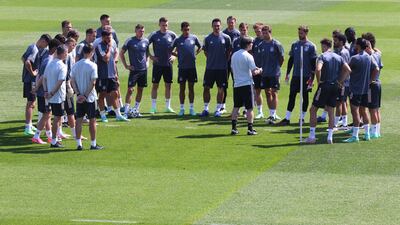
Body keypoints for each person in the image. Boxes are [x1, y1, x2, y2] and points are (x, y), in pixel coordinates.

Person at [305, 38, 351, 144]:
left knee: (313, 109)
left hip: (324, 85)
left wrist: (319, 81)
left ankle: (312, 136)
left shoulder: (322, 56)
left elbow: (318, 69)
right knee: (331, 111)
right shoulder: (338, 57)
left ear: (324, 46)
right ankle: (329, 137)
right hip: (335, 86)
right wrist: (340, 81)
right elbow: (348, 70)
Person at [278, 25, 317, 126]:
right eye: (299, 33)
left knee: (305, 96)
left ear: (306, 33)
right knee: (292, 95)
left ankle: (302, 118)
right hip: (296, 75)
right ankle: (287, 118)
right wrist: (287, 73)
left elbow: (313, 63)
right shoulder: (295, 44)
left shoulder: (311, 46)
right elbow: (291, 60)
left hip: (306, 76)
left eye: (302, 33)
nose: (300, 35)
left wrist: (312, 79)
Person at [343, 38, 379, 143]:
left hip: (355, 89)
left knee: (355, 112)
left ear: (358, 46)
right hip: (365, 89)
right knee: (364, 111)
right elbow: (376, 69)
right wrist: (369, 81)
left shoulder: (354, 58)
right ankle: (367, 134)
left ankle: (355, 136)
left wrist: (341, 80)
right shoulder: (369, 57)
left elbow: (347, 70)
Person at [71, 44, 103, 150]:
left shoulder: (75, 65)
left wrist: (79, 94)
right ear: (91, 52)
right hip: (90, 98)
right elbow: (93, 82)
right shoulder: (93, 65)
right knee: (92, 120)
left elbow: (72, 81)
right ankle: (93, 144)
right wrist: (85, 95)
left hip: (79, 98)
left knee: (79, 120)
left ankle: (79, 144)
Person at [230, 37, 263, 135]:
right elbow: (254, 72)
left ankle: (234, 128)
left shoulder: (234, 55)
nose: (252, 45)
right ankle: (250, 129)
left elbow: (233, 68)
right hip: (247, 85)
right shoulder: (248, 56)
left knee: (236, 107)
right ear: (248, 44)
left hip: (237, 84)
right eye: (251, 43)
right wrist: (260, 70)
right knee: (249, 108)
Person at [32, 38, 62, 144]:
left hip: (44, 92)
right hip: (44, 92)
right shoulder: (49, 60)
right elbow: (42, 77)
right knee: (47, 114)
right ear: (55, 48)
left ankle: (49, 135)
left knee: (47, 114)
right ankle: (37, 135)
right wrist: (38, 89)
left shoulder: (48, 59)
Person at [95, 30, 129, 122]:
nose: (109, 40)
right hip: (103, 75)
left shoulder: (111, 44)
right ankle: (102, 115)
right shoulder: (99, 46)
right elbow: (106, 59)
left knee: (115, 94)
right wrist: (109, 48)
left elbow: (113, 61)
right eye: (107, 38)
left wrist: (115, 74)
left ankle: (118, 115)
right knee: (102, 95)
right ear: (103, 37)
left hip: (111, 75)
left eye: (110, 38)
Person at [200, 18, 232, 117]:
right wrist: (212, 59)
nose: (217, 27)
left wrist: (223, 61)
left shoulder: (226, 38)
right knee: (206, 88)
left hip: (222, 68)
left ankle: (218, 109)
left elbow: (229, 51)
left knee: (221, 88)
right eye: (215, 26)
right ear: (212, 26)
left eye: (218, 26)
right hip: (210, 68)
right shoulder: (208, 38)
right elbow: (205, 51)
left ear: (221, 26)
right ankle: (206, 109)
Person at [21, 34, 51, 135]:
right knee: (31, 102)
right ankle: (28, 127)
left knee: (31, 102)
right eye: (46, 44)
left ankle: (29, 125)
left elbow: (23, 58)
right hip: (31, 80)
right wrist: (32, 73)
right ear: (42, 41)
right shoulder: (34, 49)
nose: (46, 46)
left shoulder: (32, 47)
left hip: (29, 79)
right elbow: (27, 62)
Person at [171, 21, 202, 116]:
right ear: (181, 30)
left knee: (191, 88)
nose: (187, 31)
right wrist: (177, 55)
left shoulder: (193, 38)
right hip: (182, 68)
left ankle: (192, 108)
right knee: (182, 88)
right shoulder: (178, 40)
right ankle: (182, 109)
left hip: (192, 68)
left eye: (188, 29)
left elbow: (200, 47)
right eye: (185, 29)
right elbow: (170, 50)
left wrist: (195, 54)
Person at [148, 17, 177, 114]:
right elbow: (144, 44)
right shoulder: (154, 35)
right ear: (159, 25)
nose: (165, 27)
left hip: (168, 64)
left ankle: (168, 107)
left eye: (166, 25)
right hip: (157, 65)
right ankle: (153, 107)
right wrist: (151, 56)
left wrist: (174, 56)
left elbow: (179, 44)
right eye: (163, 25)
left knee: (168, 85)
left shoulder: (172, 35)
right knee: (155, 85)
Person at [120, 24, 150, 118]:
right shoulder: (130, 41)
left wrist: (148, 62)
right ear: (136, 31)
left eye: (143, 31)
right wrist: (126, 66)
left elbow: (147, 53)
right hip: (134, 71)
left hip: (143, 70)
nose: (142, 33)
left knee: (140, 89)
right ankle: (126, 112)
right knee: (130, 90)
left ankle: (136, 109)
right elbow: (121, 53)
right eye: (140, 31)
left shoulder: (146, 41)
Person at [43, 45, 68, 148]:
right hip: (58, 97)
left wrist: (46, 91)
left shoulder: (50, 64)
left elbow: (44, 79)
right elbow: (60, 82)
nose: (67, 55)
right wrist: (52, 93)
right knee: (57, 119)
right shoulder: (62, 66)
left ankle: (55, 139)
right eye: (66, 53)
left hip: (50, 95)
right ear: (61, 54)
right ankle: (53, 141)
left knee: (56, 118)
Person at [259, 25, 284, 125]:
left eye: (266, 33)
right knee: (267, 93)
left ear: (270, 32)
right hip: (265, 73)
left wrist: (277, 68)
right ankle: (271, 113)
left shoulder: (276, 44)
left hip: (274, 73)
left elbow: (281, 59)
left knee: (274, 92)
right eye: (263, 33)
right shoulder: (261, 45)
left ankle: (274, 114)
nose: (264, 35)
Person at [363, 32, 383, 138]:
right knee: (376, 109)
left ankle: (374, 132)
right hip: (378, 83)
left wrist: (369, 81)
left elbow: (376, 68)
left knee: (372, 110)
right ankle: (377, 131)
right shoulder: (378, 53)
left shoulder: (371, 56)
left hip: (372, 84)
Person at [221, 16, 241, 114]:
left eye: (232, 22)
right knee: (224, 84)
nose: (231, 24)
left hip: (236, 63)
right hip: (226, 62)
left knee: (236, 84)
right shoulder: (223, 33)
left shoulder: (238, 33)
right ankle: (222, 106)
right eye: (229, 22)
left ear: (235, 23)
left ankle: (237, 106)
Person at [251, 22, 265, 119]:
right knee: (257, 91)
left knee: (270, 91)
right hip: (257, 70)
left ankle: (273, 113)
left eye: (259, 31)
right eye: (256, 31)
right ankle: (260, 112)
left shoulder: (267, 41)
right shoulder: (254, 41)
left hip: (267, 70)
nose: (257, 33)